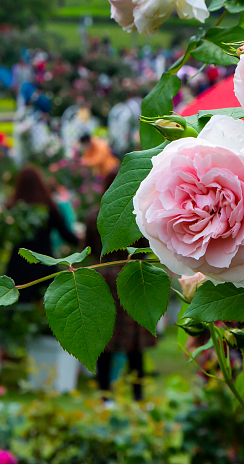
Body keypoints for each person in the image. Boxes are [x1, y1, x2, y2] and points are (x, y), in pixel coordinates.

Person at [85, 170, 155, 401]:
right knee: (134, 344)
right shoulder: (137, 216)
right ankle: (138, 395)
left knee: (105, 338)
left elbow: (87, 248)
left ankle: (105, 395)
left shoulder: (95, 214)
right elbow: (146, 247)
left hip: (102, 277)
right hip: (131, 276)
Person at [4, 166, 76, 302]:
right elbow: (66, 234)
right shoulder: (48, 207)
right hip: (44, 264)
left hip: (18, 265)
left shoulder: (13, 208)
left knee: (19, 306)